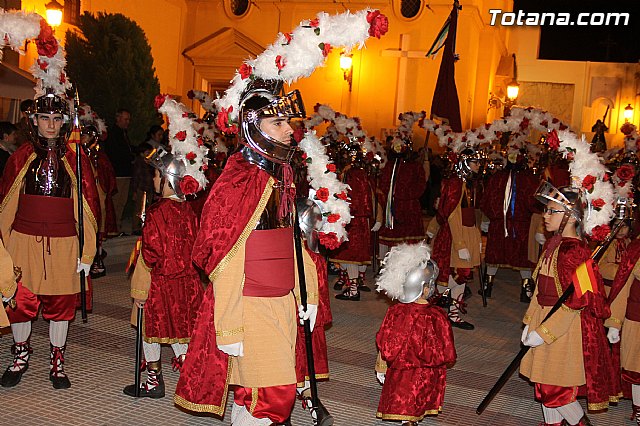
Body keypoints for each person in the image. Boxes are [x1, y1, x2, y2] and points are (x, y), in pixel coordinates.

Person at [174, 79, 319, 425]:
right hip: (250, 306)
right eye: (278, 123)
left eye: (289, 123)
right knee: (272, 398)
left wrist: (307, 292)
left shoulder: (280, 174)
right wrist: (229, 326)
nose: (290, 132)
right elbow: (223, 257)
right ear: (253, 127)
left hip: (281, 301)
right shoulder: (239, 178)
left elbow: (293, 241)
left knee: (253, 394)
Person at [0, 91, 99, 389]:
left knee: (61, 305)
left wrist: (87, 252)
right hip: (23, 243)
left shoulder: (76, 159)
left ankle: (58, 358)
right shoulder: (20, 158)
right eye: (45, 118)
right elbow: (6, 207)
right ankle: (20, 352)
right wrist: (3, 252)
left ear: (65, 122)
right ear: (33, 121)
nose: (51, 126)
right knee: (20, 303)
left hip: (64, 244)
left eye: (57, 119)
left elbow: (88, 209)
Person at [520, 182, 615, 426]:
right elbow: (539, 290)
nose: (546, 215)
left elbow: (576, 303)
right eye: (547, 210)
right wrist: (530, 322)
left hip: (562, 330)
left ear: (571, 217)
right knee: (544, 384)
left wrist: (543, 333)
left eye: (553, 211)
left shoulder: (574, 252)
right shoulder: (555, 244)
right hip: (544, 318)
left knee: (555, 390)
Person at [123, 148, 204, 398]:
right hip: (188, 284)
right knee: (182, 330)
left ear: (168, 179)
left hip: (161, 283)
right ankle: (190, 380)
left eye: (157, 176)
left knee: (151, 330)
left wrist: (139, 289)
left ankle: (153, 381)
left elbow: (150, 254)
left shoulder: (158, 212)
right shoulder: (190, 211)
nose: (154, 180)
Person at [375, 242, 456, 425]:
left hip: (402, 373)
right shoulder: (438, 316)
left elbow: (387, 342)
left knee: (405, 397)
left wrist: (382, 364)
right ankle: (413, 420)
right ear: (424, 288)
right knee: (420, 397)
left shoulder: (396, 312)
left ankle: (408, 421)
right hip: (428, 373)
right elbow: (448, 351)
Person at [430, 147, 483, 330]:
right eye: (475, 162)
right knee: (454, 277)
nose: (478, 166)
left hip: (466, 234)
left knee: (462, 277)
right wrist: (460, 244)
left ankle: (453, 314)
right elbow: (452, 215)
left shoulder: (469, 184)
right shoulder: (455, 183)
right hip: (454, 237)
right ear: (465, 164)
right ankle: (429, 309)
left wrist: (476, 237)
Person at [479, 156, 541, 302]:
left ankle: (488, 285)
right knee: (521, 256)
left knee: (495, 254)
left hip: (500, 225)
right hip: (520, 226)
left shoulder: (496, 178)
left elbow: (486, 201)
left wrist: (491, 217)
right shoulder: (530, 180)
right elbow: (535, 203)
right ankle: (525, 289)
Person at [332, 144, 380, 301]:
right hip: (361, 219)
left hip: (353, 219)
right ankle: (353, 284)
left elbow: (351, 199)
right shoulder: (363, 174)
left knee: (350, 255)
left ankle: (353, 289)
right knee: (355, 255)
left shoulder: (352, 174)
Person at [606, 233, 640, 425]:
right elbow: (623, 286)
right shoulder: (636, 249)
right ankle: (639, 410)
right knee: (637, 369)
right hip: (637, 321)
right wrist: (614, 322)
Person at [105, 108, 134, 234]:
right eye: (125, 119)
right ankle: (113, 228)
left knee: (122, 202)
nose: (128, 122)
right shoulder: (113, 134)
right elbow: (116, 153)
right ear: (118, 118)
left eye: (129, 119)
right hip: (118, 173)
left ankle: (118, 226)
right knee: (116, 202)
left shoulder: (123, 133)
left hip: (125, 172)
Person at [131, 142, 155, 235]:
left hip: (149, 187)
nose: (149, 155)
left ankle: (145, 225)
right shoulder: (139, 163)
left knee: (147, 207)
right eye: (147, 152)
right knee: (139, 208)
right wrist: (135, 190)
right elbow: (136, 177)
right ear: (142, 153)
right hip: (141, 187)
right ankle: (136, 227)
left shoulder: (150, 163)